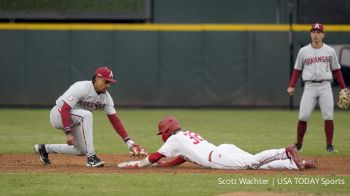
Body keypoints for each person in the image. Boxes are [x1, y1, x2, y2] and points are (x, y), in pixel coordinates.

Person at [34, 66, 147, 167]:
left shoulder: (106, 97)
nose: (108, 85)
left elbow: (114, 119)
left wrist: (130, 143)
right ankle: (91, 157)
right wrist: (68, 132)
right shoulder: (81, 87)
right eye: (106, 81)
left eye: (110, 82)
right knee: (87, 115)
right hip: (58, 114)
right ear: (97, 78)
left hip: (76, 118)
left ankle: (44, 149)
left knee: (81, 150)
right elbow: (65, 109)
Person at [118, 116, 317, 170]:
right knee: (259, 165)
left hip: (218, 158)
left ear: (167, 131)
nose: (163, 135)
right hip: (224, 149)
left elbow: (154, 157)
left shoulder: (174, 139)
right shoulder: (186, 134)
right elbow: (182, 158)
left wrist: (138, 164)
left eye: (162, 132)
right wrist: (165, 165)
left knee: (253, 163)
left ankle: (285, 151)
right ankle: (296, 164)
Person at [287, 23, 347, 152]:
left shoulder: (330, 51)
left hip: (325, 86)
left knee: (328, 116)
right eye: (313, 32)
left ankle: (329, 146)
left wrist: (343, 87)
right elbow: (297, 69)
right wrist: (291, 85)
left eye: (319, 32)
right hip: (309, 87)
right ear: (310, 34)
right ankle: (298, 145)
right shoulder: (303, 51)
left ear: (323, 35)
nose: (316, 34)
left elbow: (336, 70)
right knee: (303, 116)